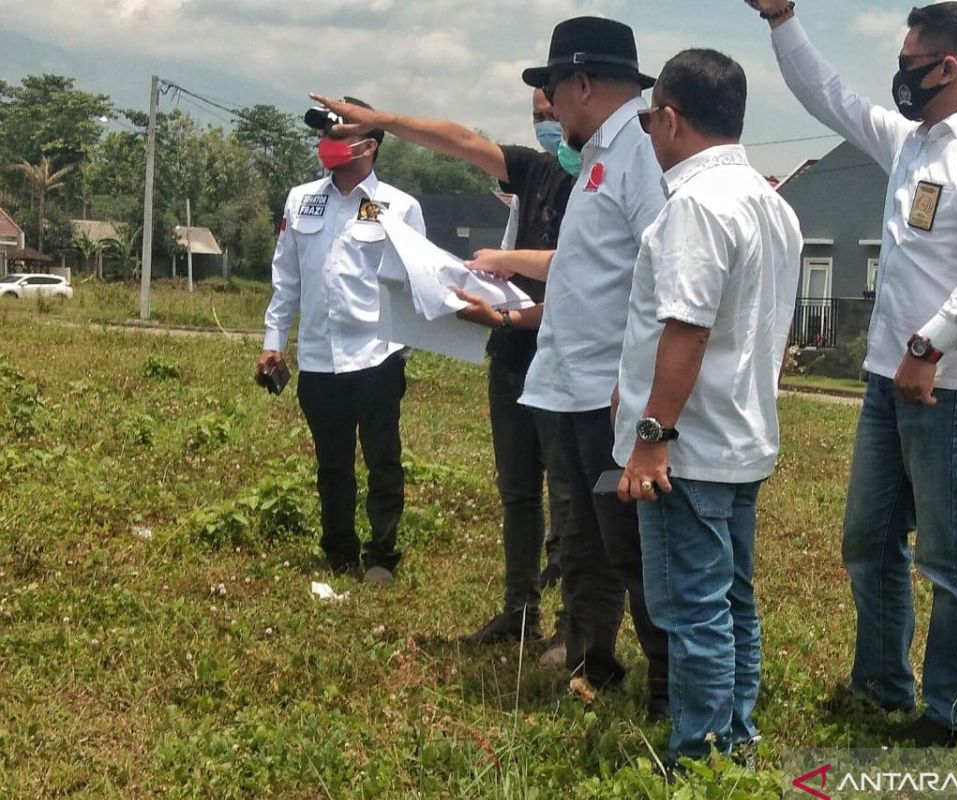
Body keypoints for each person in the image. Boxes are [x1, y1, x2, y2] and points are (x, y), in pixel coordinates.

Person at [749, 0, 957, 745]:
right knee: (869, 542)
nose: (900, 74)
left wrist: (928, 346)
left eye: (912, 61)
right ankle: (881, 685)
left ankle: (956, 712)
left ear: (952, 66)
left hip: (950, 385)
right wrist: (782, 20)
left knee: (951, 556)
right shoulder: (912, 142)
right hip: (889, 382)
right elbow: (831, 96)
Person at [309, 89, 577, 661]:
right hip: (511, 350)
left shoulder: (608, 182)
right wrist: (383, 119)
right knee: (518, 491)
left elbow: (591, 275)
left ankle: (572, 625)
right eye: (538, 114)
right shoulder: (536, 171)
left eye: (554, 111)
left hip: (566, 352)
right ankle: (519, 610)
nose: (548, 123)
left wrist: (504, 281)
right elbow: (460, 141)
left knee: (570, 497)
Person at [455, 16, 670, 720]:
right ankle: (592, 663)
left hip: (607, 395)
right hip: (568, 387)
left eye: (552, 89)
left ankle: (670, 689)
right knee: (582, 542)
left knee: (628, 548)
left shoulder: (637, 158)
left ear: (582, 83)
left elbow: (659, 277)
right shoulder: (599, 158)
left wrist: (631, 386)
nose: (549, 106)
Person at [613, 49, 802, 764]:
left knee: (692, 608)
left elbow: (687, 328)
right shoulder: (769, 202)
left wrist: (652, 434)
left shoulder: (694, 204)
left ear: (669, 117)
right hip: (742, 435)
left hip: (689, 447)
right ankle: (738, 739)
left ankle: (700, 754)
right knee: (732, 601)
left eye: (647, 118)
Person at [257, 98, 425, 586]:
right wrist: (274, 341)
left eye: (337, 135)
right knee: (331, 463)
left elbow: (415, 285)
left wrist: (400, 353)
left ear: (368, 145)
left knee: (381, 461)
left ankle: (381, 555)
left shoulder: (400, 207)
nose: (326, 145)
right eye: (323, 136)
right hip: (318, 357)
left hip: (377, 355)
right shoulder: (301, 200)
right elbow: (286, 277)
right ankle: (339, 549)